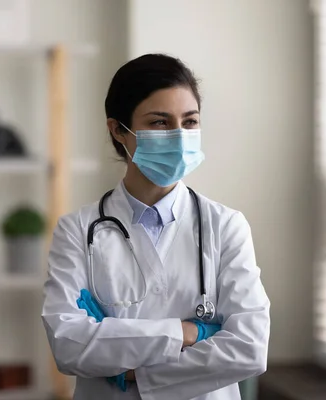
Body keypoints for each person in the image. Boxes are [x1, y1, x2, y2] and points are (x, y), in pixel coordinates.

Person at [41, 53, 270, 400]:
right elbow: (68, 345)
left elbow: (249, 348)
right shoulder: (77, 230)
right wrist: (190, 332)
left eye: (189, 121)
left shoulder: (226, 227)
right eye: (160, 123)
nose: (178, 136)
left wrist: (137, 372)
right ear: (118, 130)